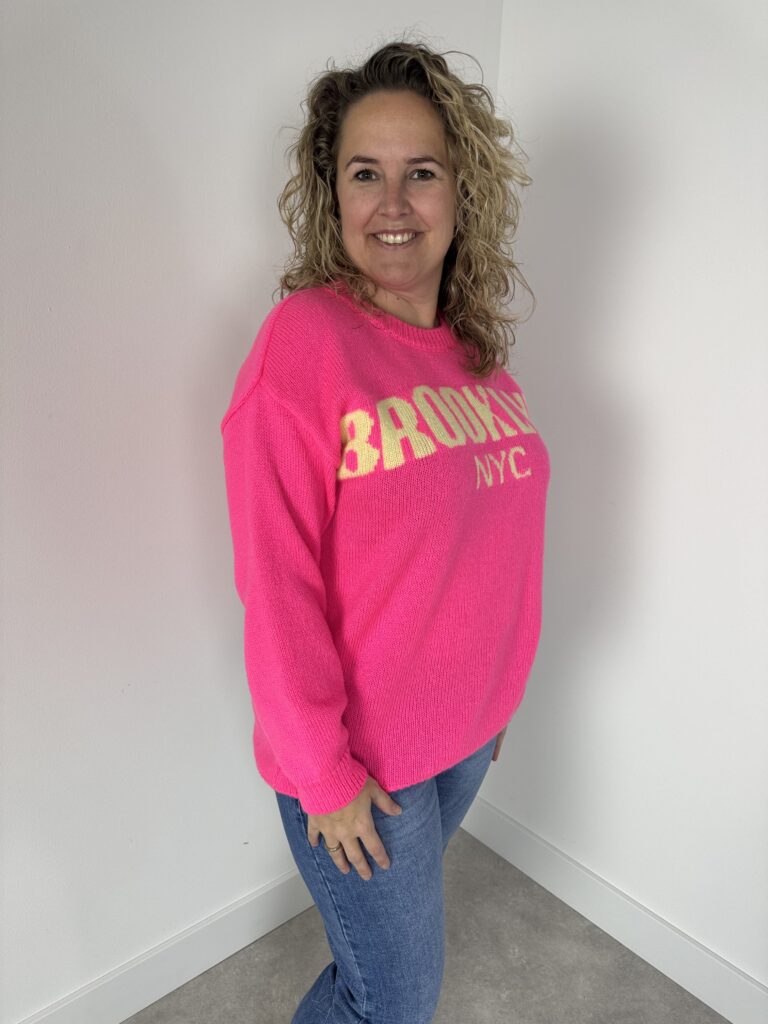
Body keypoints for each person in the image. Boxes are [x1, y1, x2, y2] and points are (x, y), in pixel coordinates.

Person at [219, 37, 550, 1024]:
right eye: (366, 173)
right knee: (392, 1001)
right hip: (363, 764)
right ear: (333, 194)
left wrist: (498, 690)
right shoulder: (304, 345)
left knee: (376, 981)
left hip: (465, 737)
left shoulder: (477, 355)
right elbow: (276, 583)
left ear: (463, 190)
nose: (394, 203)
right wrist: (324, 777)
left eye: (423, 173)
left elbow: (498, 548)